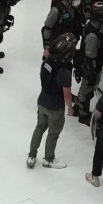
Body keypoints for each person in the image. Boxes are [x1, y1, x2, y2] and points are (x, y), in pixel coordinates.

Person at [27, 33, 76, 169]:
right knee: (53, 133)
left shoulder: (46, 62)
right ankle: (49, 159)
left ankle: (31, 156)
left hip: (42, 100)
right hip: (55, 107)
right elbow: (67, 94)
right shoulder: (65, 72)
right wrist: (70, 108)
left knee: (39, 127)